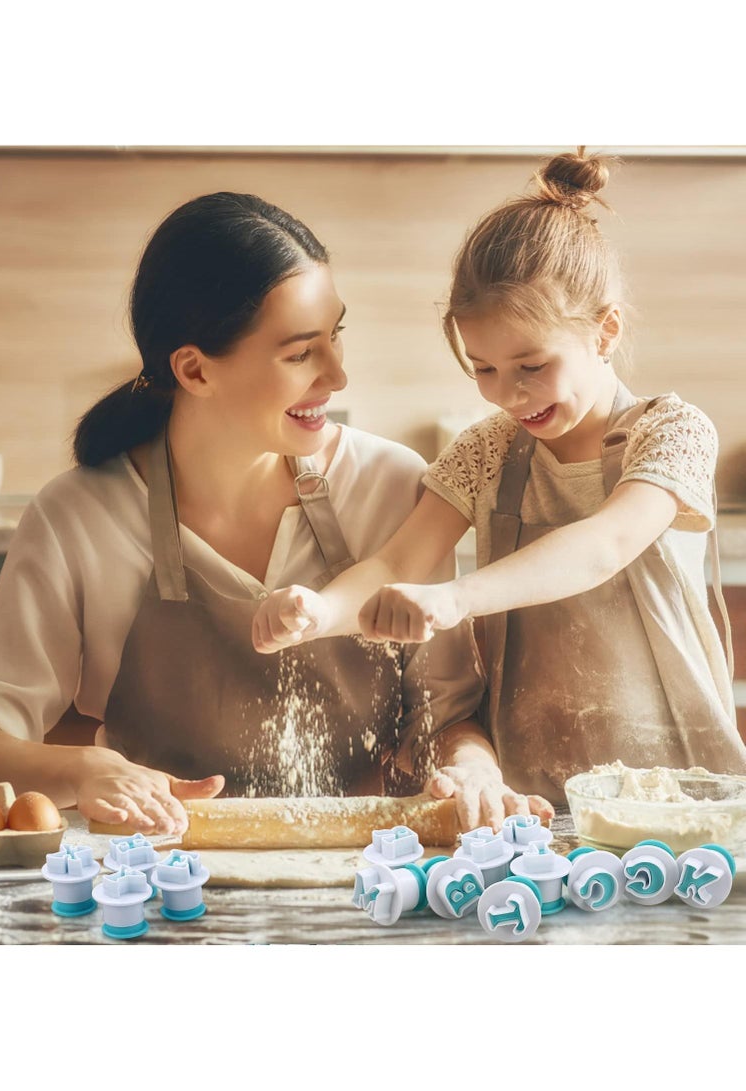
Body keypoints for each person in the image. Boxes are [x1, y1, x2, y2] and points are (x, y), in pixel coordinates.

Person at [0, 192, 550, 839]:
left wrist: (474, 769)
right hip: (157, 886)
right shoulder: (77, 517)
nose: (338, 375)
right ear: (194, 369)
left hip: (363, 874)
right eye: (300, 353)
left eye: (335, 336)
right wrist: (87, 768)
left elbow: (448, 717)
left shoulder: (395, 487)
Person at [252, 150, 746, 803]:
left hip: (678, 787)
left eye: (531, 366)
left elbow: (604, 545)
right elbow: (401, 557)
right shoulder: (486, 449)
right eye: (484, 368)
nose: (508, 395)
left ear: (606, 331)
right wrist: (320, 612)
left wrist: (456, 599)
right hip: (532, 786)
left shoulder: (672, 431)